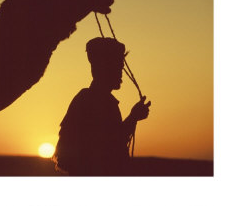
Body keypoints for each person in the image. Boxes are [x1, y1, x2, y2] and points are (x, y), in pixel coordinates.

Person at [52, 37, 151, 176]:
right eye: (118, 65)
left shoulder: (91, 99)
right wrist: (133, 117)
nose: (122, 70)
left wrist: (133, 117)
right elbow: (107, 146)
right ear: (105, 67)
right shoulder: (94, 102)